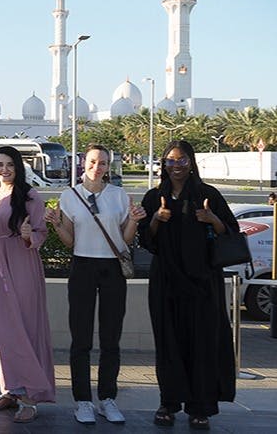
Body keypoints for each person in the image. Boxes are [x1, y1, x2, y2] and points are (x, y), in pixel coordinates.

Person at [138, 140, 237, 430]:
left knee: (203, 344)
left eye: (182, 161)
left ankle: (200, 407)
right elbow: (146, 240)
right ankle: (168, 403)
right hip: (166, 282)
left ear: (192, 163)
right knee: (169, 343)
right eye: (170, 161)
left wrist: (212, 219)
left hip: (203, 284)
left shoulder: (209, 195)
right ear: (163, 164)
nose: (176, 166)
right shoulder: (154, 196)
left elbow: (230, 232)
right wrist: (157, 219)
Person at [47, 145, 145, 425]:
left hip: (112, 268)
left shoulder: (118, 195)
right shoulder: (69, 195)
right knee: (81, 339)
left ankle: (107, 398)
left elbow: (124, 239)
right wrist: (56, 224)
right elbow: (70, 240)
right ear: (83, 164)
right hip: (82, 267)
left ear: (108, 166)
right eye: (92, 162)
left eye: (103, 163)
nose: (97, 167)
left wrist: (135, 222)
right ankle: (82, 401)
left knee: (111, 338)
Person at [0, 145, 55, 424]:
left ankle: (31, 396)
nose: (4, 169)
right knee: (2, 331)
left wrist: (28, 234)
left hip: (22, 262)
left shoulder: (30, 196)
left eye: (9, 164)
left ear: (18, 166)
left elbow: (42, 233)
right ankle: (10, 389)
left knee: (26, 327)